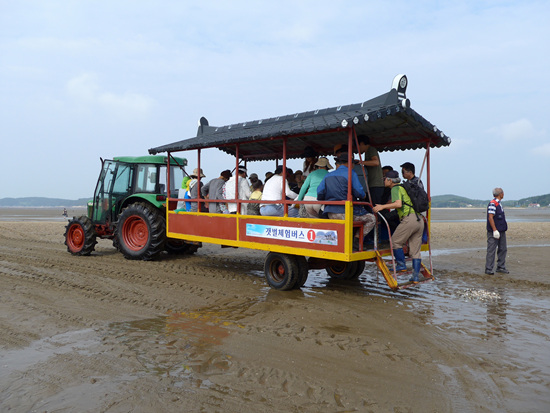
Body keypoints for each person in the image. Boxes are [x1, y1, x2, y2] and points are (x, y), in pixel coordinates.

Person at [317, 153, 376, 251]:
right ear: (349, 163)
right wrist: (363, 195)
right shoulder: (351, 173)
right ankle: (356, 241)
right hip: (346, 212)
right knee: (371, 218)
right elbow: (359, 192)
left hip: (330, 213)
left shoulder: (328, 175)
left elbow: (319, 193)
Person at [373, 170, 424, 282]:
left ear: (390, 181)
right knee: (415, 251)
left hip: (409, 219)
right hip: (419, 219)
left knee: (395, 241)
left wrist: (382, 207)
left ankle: (401, 265)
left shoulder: (395, 188)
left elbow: (398, 204)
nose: (384, 181)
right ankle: (415, 277)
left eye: (385, 179)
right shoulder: (403, 187)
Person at [485, 187, 509, 275]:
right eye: (503, 193)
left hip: (502, 231)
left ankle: (501, 267)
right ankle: (488, 269)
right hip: (493, 231)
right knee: (491, 250)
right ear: (501, 194)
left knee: (503, 249)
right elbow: (490, 217)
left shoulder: (499, 204)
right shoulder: (493, 203)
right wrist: (495, 230)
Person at [356, 135, 384, 205]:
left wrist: (360, 162)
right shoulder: (367, 152)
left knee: (375, 207)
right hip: (372, 185)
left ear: (361, 144)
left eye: (358, 146)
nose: (357, 148)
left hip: (375, 185)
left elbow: (376, 162)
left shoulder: (371, 150)